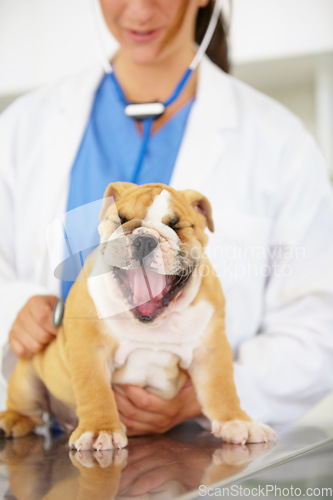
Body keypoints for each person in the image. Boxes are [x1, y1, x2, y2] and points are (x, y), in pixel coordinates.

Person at [0, 0, 333, 436]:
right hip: (50, 446)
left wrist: (205, 395)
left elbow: (316, 321)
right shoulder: (26, 126)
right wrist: (14, 307)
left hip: (192, 457)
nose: (139, 9)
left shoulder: (277, 140)